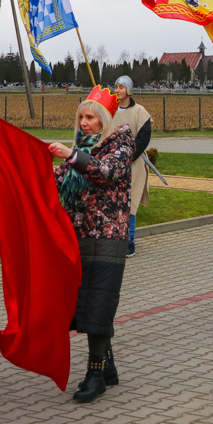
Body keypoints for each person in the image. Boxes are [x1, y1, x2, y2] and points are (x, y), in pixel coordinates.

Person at [49, 86, 134, 403]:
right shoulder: (81, 148)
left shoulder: (121, 142)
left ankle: (95, 374)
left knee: (98, 304)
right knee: (86, 305)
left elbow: (107, 172)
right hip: (80, 236)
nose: (84, 123)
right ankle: (108, 368)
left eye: (90, 117)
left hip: (109, 237)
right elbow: (56, 182)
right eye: (81, 117)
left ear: (104, 119)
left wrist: (71, 156)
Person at [112, 75, 151, 257]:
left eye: (121, 87)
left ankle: (129, 242)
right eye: (116, 87)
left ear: (128, 90)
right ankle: (114, 240)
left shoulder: (139, 112)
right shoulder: (109, 110)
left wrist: (129, 156)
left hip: (133, 164)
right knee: (113, 202)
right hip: (112, 164)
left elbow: (143, 137)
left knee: (130, 202)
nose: (117, 90)